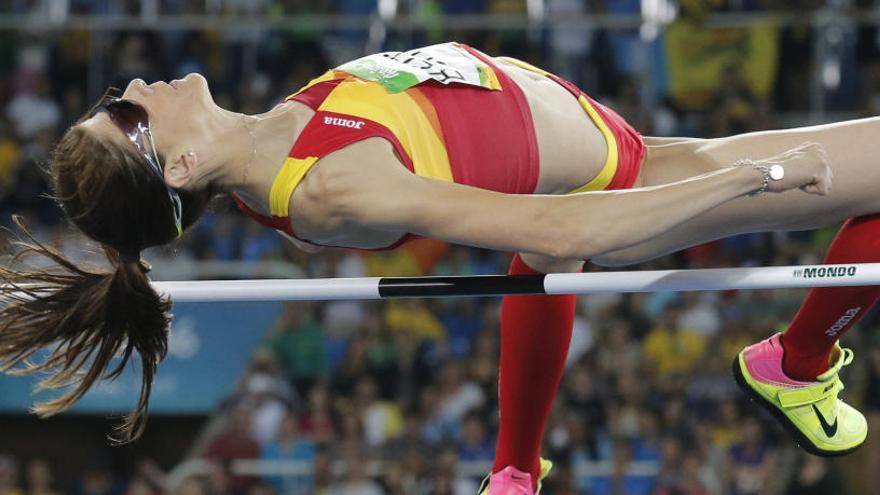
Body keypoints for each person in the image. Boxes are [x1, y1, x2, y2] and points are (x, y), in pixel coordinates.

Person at [0, 40, 869, 494]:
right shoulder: (332, 183)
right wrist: (754, 180)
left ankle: (517, 469)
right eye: (124, 112)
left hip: (625, 140)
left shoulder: (275, 129)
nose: (135, 89)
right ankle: (793, 365)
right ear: (179, 171)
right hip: (631, 180)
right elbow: (555, 230)